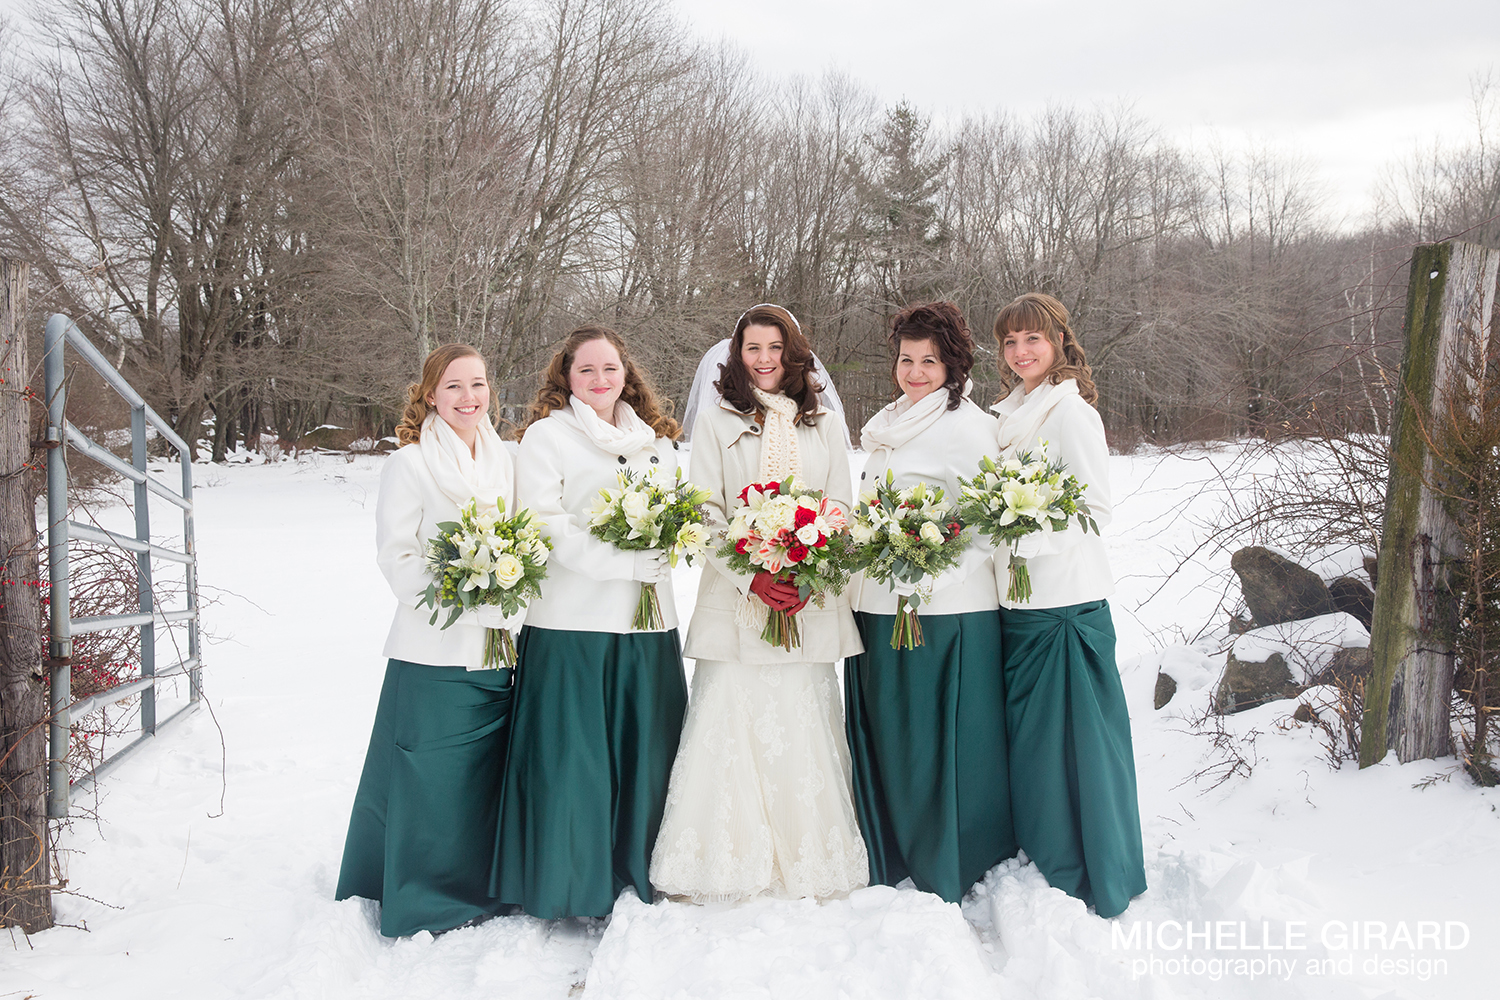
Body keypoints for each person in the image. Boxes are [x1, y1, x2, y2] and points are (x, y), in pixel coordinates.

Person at [650, 303, 868, 902]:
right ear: (736, 356)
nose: (765, 360)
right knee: (731, 722)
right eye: (753, 349)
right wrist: (755, 578)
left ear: (794, 353)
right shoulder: (719, 422)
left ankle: (809, 855)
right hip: (738, 599)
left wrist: (808, 572)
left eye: (775, 348)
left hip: (807, 600)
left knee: (802, 721)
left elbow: (839, 509)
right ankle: (724, 860)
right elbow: (707, 512)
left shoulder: (821, 422)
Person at [493, 326, 689, 919]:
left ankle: (642, 863)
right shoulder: (546, 438)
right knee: (573, 758)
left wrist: (669, 544)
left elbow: (681, 511)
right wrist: (621, 559)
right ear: (566, 377)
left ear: (627, 374)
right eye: (586, 371)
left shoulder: (657, 444)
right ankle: (569, 878)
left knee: (644, 751)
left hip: (646, 623)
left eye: (610, 369)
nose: (600, 381)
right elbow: (545, 524)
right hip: (570, 622)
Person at [336, 342, 519, 937]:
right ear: (431, 395)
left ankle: (483, 882)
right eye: (455, 386)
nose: (470, 398)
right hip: (433, 647)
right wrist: (466, 600)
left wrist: (506, 597)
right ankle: (425, 894)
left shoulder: (508, 460)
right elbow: (397, 557)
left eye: (479, 384)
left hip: (500, 648)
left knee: (480, 776)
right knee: (430, 776)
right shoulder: (409, 464)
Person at [844, 301, 1016, 904]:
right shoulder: (890, 424)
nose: (915, 371)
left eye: (929, 360)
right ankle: (893, 848)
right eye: (906, 359)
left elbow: (987, 523)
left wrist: (927, 577)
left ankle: (950, 856)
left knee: (936, 742)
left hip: (942, 614)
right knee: (894, 737)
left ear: (954, 365)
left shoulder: (967, 428)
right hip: (876, 606)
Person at [990, 292, 1146, 918]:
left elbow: (1094, 508)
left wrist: (1021, 531)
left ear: (1057, 341)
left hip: (1065, 605)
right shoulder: (1008, 411)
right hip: (1017, 605)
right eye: (1009, 342)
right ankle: (1046, 848)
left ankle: (1095, 869)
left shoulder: (1070, 412)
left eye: (1033, 339)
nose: (1022, 351)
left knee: (1079, 744)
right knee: (1034, 746)